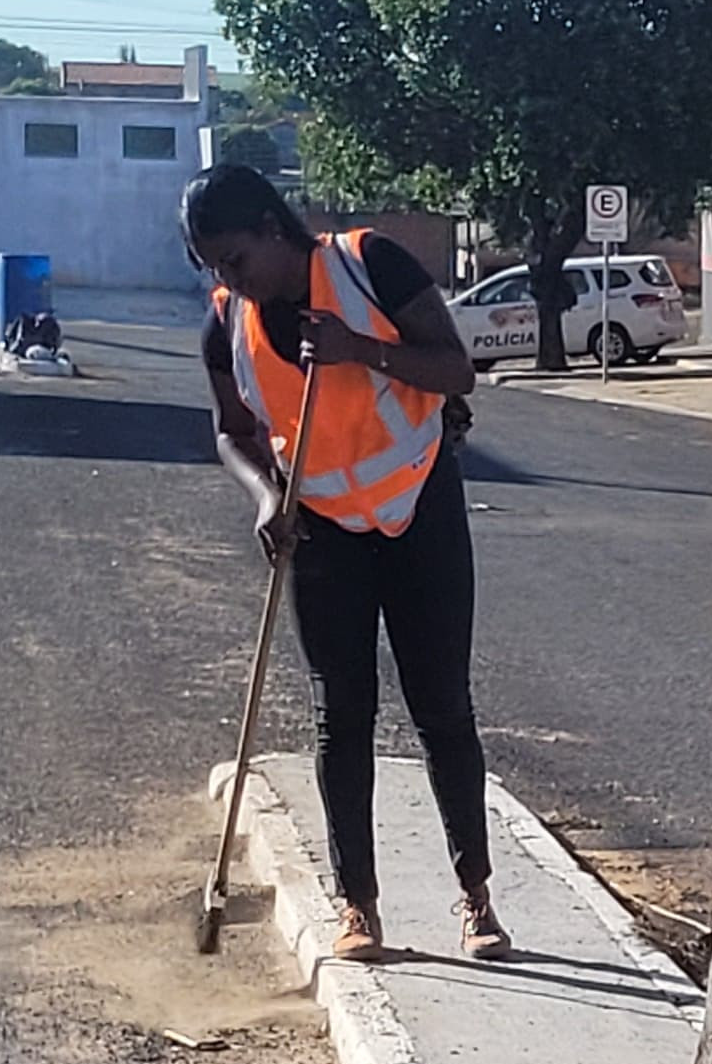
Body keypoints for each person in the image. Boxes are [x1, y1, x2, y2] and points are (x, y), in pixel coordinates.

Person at [182, 165, 508, 964]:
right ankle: (356, 907)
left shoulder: (370, 264)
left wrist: (358, 348)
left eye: (235, 261)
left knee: (441, 706)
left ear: (270, 226)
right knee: (343, 714)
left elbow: (454, 370)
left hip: (418, 507)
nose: (231, 281)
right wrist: (265, 494)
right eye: (215, 270)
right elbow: (232, 431)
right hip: (320, 523)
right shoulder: (227, 323)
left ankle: (477, 900)